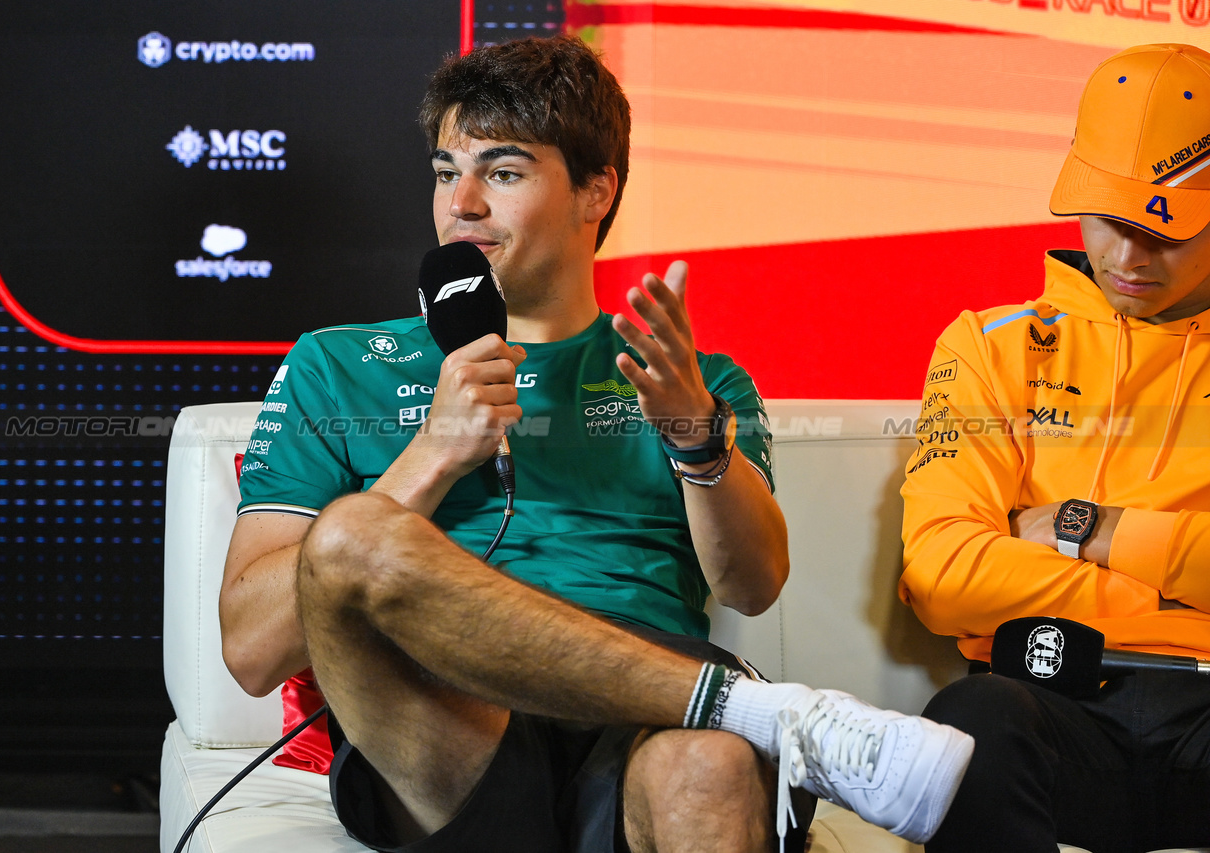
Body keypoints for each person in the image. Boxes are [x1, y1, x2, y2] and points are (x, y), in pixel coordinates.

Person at [224, 34, 973, 853]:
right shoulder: (335, 363)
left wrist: (695, 440)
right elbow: (253, 650)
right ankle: (762, 710)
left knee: (712, 771)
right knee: (351, 535)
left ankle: (724, 716)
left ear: (595, 191)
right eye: (446, 171)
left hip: (643, 721)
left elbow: (753, 586)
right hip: (446, 724)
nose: (460, 204)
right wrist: (432, 454)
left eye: (502, 174)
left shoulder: (695, 379)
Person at [900, 43, 1210, 853]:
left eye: (1163, 229)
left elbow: (989, 565)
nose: (1129, 257)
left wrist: (1095, 529)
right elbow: (942, 576)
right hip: (1047, 701)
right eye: (1110, 219)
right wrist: (1177, 596)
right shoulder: (987, 346)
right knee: (966, 729)